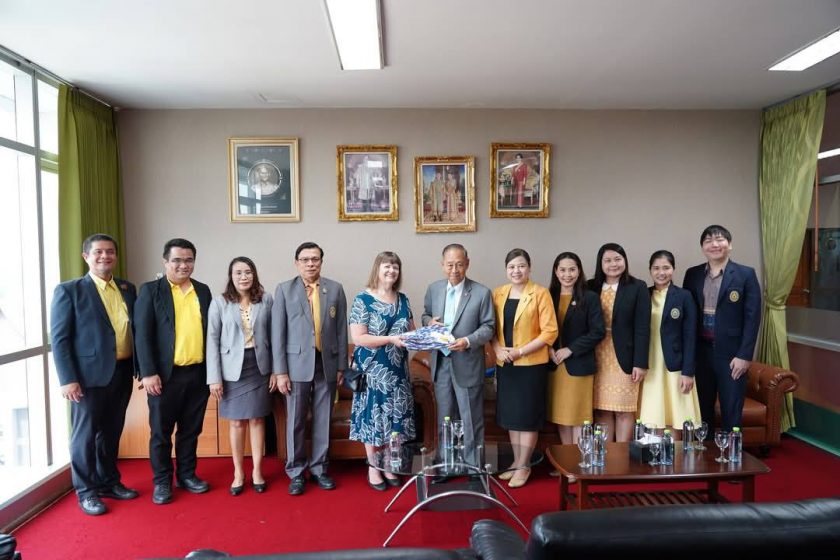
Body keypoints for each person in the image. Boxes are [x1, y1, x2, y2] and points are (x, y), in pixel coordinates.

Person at [51, 233, 139, 516]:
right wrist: (67, 379)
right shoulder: (70, 291)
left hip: (122, 371)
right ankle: (86, 491)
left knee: (111, 432)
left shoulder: (126, 288)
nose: (105, 256)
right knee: (85, 436)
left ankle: (108, 482)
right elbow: (60, 339)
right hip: (87, 377)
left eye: (110, 252)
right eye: (98, 252)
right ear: (86, 256)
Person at [136, 238, 213, 505]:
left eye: (189, 260)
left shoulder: (202, 290)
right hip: (164, 376)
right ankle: (162, 481)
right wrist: (148, 373)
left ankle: (187, 475)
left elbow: (211, 333)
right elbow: (142, 335)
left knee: (191, 430)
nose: (183, 265)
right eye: (177, 260)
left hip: (198, 373)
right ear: (165, 261)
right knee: (161, 433)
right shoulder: (150, 291)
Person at [272, 242, 348, 496]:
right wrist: (280, 372)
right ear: (297, 263)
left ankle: (319, 468)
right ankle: (296, 471)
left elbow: (341, 330)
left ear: (321, 262)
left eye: (315, 259)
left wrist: (341, 366)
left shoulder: (334, 289)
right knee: (296, 420)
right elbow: (277, 333)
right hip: (295, 365)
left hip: (326, 362)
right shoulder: (284, 290)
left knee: (323, 418)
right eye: (305, 259)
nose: (310, 263)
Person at [421, 244, 495, 463]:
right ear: (442, 265)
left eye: (459, 264)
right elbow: (425, 315)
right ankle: (447, 463)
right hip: (441, 362)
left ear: (467, 264)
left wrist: (467, 341)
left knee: (471, 419)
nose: (454, 270)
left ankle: (473, 466)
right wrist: (429, 322)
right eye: (450, 265)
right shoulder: (434, 289)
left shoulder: (481, 292)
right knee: (445, 418)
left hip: (468, 363)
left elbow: (489, 327)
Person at [349, 251, 416, 491]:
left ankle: (388, 463)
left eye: (395, 267)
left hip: (398, 371)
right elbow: (358, 338)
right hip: (373, 371)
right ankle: (373, 466)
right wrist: (390, 339)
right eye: (387, 266)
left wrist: (431, 330)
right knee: (374, 418)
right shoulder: (363, 299)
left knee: (395, 418)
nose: (391, 271)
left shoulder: (404, 299)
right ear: (377, 269)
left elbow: (411, 332)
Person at [206, 257, 274, 496]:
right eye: (238, 273)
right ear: (231, 276)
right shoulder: (220, 302)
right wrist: (214, 378)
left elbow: (275, 336)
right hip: (231, 370)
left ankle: (257, 471)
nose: (244, 277)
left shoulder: (266, 300)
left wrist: (276, 370)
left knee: (257, 420)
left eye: (248, 272)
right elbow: (212, 340)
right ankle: (238, 472)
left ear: (254, 275)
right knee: (236, 422)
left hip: (259, 366)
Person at [682, 225, 761, 431]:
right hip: (701, 353)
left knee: (731, 411)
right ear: (702, 247)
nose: (714, 244)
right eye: (708, 241)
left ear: (730, 244)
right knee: (702, 412)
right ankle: (704, 450)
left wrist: (744, 355)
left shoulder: (745, 274)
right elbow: (688, 316)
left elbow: (752, 318)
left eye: (719, 239)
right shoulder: (692, 274)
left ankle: (733, 451)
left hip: (732, 356)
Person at [491, 249, 558, 488]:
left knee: (527, 416)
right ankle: (517, 461)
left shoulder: (540, 293)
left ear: (529, 268)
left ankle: (524, 465)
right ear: (506, 270)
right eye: (512, 267)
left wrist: (519, 352)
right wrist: (497, 349)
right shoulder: (498, 293)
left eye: (521, 266)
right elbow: (491, 328)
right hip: (506, 364)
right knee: (512, 417)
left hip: (531, 365)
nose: (516, 271)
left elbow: (550, 331)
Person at [586, 243, 651, 442]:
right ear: (600, 263)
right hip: (596, 355)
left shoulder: (637, 287)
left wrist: (640, 362)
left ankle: (622, 455)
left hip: (625, 357)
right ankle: (605, 454)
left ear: (625, 261)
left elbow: (643, 328)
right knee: (601, 410)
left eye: (617, 259)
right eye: (607, 260)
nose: (613, 264)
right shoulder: (590, 286)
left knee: (624, 410)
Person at [638, 250, 701, 432]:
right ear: (650, 270)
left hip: (675, 365)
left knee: (676, 417)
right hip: (649, 364)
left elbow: (690, 336)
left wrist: (688, 372)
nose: (661, 272)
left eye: (666, 268)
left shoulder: (684, 296)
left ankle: (674, 451)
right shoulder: (643, 294)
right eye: (656, 268)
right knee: (653, 415)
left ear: (673, 269)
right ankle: (656, 450)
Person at [546, 252, 606, 445]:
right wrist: (548, 348)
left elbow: (597, 331)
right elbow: (540, 329)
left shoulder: (590, 297)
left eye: (572, 269)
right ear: (556, 272)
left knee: (578, 417)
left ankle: (579, 459)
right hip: (554, 365)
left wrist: (570, 349)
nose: (567, 274)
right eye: (563, 270)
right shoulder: (548, 296)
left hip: (578, 364)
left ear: (579, 271)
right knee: (561, 418)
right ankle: (566, 459)